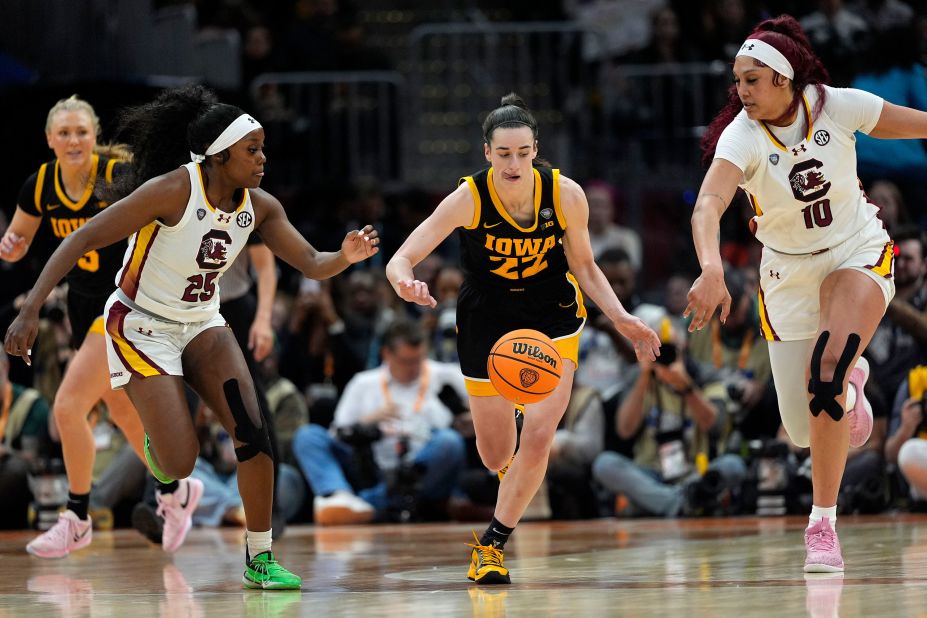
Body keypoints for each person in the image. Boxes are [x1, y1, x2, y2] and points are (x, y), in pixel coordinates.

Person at [4, 84, 379, 590]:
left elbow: (312, 262)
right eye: (253, 150)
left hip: (202, 321)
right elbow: (82, 237)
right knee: (179, 460)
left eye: (263, 147)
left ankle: (260, 557)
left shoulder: (261, 206)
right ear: (220, 156)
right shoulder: (173, 190)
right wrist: (29, 310)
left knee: (254, 433)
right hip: (140, 322)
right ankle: (163, 468)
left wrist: (345, 258)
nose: (263, 158)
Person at [385, 93, 660, 584]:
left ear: (536, 149)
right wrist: (404, 281)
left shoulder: (565, 194)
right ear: (487, 152)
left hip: (551, 315)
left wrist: (623, 319)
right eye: (504, 153)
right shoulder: (469, 197)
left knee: (539, 436)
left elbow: (585, 266)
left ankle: (491, 545)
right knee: (496, 455)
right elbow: (401, 257)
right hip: (486, 319)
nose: (514, 163)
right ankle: (510, 463)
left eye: (523, 153)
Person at [687, 14, 927, 572]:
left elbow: (913, 123)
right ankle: (854, 381)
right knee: (802, 428)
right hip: (788, 273)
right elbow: (707, 206)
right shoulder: (740, 136)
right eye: (736, 80)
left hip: (854, 250)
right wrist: (711, 266)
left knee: (825, 376)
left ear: (783, 78)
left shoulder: (835, 106)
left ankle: (822, 522)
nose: (739, 91)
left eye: (751, 79)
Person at [0, 95, 204, 558]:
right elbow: (17, 243)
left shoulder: (116, 175)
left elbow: (165, 217)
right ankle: (176, 491)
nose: (74, 140)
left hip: (124, 299)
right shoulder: (39, 186)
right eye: (64, 133)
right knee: (122, 410)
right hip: (81, 303)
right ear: (50, 139)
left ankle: (76, 517)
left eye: (82, 132)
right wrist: (10, 248)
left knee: (68, 406)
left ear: (95, 137)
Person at [292, 319, 467, 525]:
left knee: (449, 442)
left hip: (422, 468)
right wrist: (368, 420)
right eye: (406, 361)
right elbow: (337, 434)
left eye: (418, 359)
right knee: (308, 436)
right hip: (371, 467)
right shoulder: (363, 383)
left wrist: (467, 418)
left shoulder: (448, 376)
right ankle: (339, 496)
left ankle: (364, 505)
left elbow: (482, 416)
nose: (414, 368)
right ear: (386, 354)